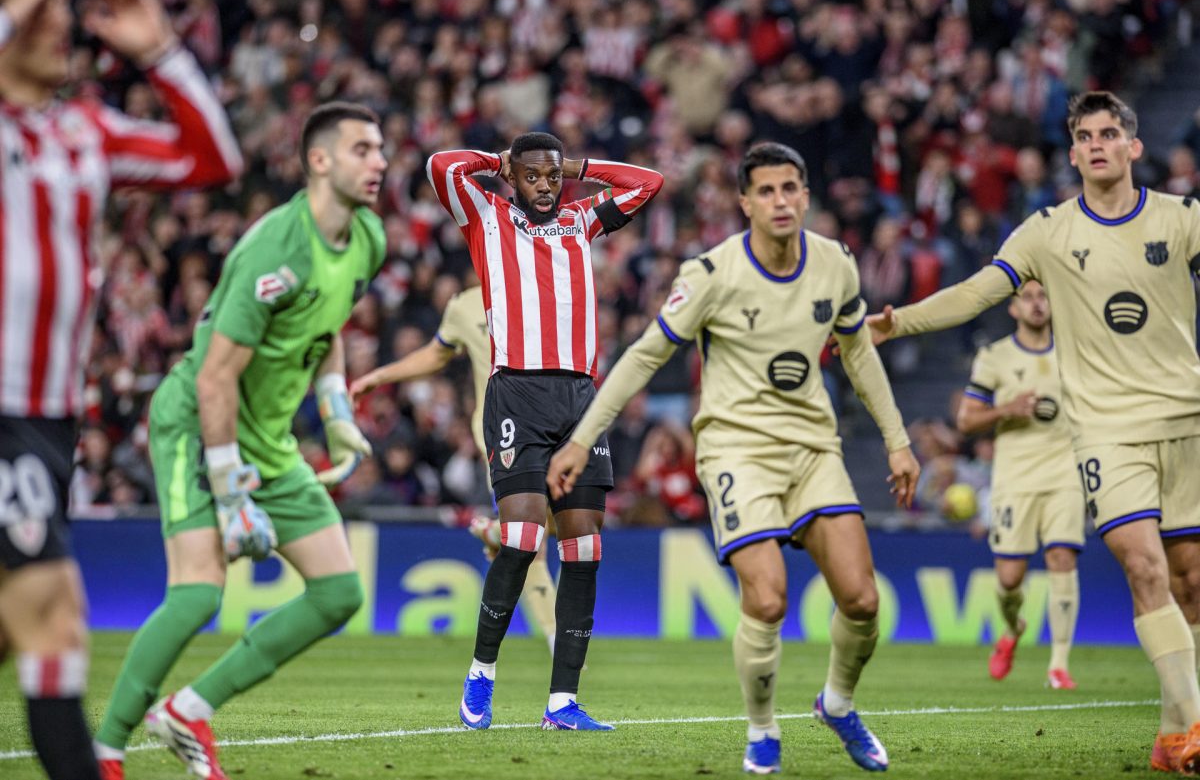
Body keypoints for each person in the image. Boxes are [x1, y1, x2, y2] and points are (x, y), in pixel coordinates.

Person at [548, 143, 920, 773]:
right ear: (745, 203)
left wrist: (897, 439)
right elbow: (646, 354)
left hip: (813, 447)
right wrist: (583, 438)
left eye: (790, 188)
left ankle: (836, 703)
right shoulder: (711, 274)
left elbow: (857, 352)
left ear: (806, 196)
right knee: (768, 599)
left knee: (862, 600)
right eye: (766, 191)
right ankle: (762, 729)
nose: (780, 201)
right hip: (735, 450)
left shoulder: (835, 264)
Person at [869, 90, 1200, 774]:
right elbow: (975, 293)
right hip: (1106, 429)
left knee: (1191, 579)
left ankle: (1174, 732)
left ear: (1134, 146)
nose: (1098, 144)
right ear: (1073, 153)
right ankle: (1196, 724)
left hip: (1185, 417)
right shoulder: (1046, 231)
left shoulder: (1181, 218)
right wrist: (899, 322)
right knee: (1144, 566)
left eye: (1110, 133)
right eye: (1086, 136)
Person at [94, 102, 386, 780]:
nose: (379, 162)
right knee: (199, 594)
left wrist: (336, 408)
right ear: (320, 161)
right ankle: (105, 750)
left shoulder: (368, 237)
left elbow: (326, 327)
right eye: (363, 150)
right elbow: (215, 378)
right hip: (199, 425)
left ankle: (187, 710)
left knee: (339, 592)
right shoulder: (273, 249)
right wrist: (230, 494)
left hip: (269, 438)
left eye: (379, 149)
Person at [0, 0, 242, 779]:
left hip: (50, 420)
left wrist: (162, 53)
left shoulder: (83, 131)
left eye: (60, 7)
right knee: (54, 616)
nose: (58, 21)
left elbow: (213, 158)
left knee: (17, 623)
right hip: (3, 413)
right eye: (38, 7)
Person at [426, 133, 663, 731]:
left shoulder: (582, 219)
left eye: (553, 177)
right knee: (522, 535)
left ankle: (562, 703)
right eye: (532, 176)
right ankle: (481, 673)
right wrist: (497, 163)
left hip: (581, 398)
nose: (544, 186)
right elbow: (442, 166)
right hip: (518, 393)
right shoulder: (487, 214)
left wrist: (578, 166)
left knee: (584, 547)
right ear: (513, 177)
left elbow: (648, 183)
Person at [349, 281, 559, 653]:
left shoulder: (545, 289)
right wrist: (379, 376)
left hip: (557, 427)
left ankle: (497, 532)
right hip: (502, 434)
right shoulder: (465, 305)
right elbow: (435, 354)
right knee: (532, 536)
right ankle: (557, 638)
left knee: (571, 522)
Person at [956, 280, 1083, 689]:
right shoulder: (995, 357)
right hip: (1014, 476)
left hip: (1065, 471)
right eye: (1027, 297)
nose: (1036, 304)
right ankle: (1013, 628)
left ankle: (1058, 664)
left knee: (1062, 557)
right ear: (1013, 308)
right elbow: (966, 420)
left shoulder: (1075, 350)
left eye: (1043, 295)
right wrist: (1006, 409)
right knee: (1009, 579)